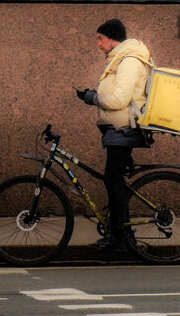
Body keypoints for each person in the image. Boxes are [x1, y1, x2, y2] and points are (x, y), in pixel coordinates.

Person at [76, 18, 151, 251]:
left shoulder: (129, 61)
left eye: (100, 38)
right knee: (114, 179)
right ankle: (122, 234)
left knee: (113, 179)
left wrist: (93, 98)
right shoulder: (119, 58)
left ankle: (119, 237)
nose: (98, 44)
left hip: (124, 129)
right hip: (117, 130)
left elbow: (120, 99)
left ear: (112, 38)